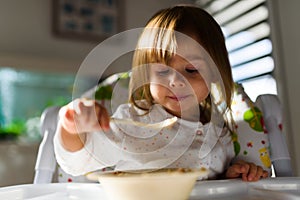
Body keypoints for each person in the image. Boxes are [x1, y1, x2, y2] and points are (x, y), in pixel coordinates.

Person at [54, 5, 269, 182]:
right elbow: (77, 160)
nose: (176, 81)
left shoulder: (219, 133)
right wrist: (72, 127)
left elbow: (217, 184)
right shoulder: (131, 123)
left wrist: (234, 174)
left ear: (214, 73)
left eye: (191, 70)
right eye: (163, 71)